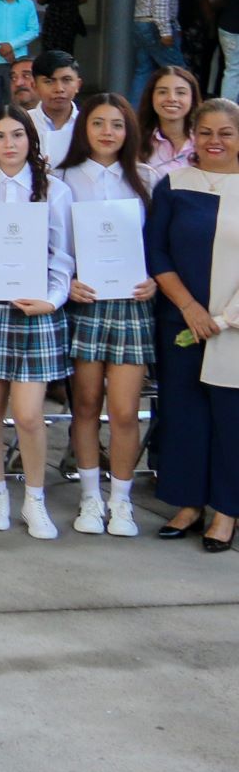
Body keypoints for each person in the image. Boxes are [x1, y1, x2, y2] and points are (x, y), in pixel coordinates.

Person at [0, 106, 74, 540]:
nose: (9, 144)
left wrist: (52, 300)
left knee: (28, 414)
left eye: (17, 135)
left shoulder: (54, 191)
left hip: (36, 309)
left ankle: (34, 499)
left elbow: (63, 256)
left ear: (31, 139)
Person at [56, 93, 156, 538]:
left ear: (128, 130)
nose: (107, 132)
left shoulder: (146, 178)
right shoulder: (63, 179)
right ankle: (90, 498)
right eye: (98, 123)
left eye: (117, 124)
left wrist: (155, 280)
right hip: (87, 302)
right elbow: (53, 244)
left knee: (125, 411)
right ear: (84, 128)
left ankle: (121, 500)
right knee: (85, 405)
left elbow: (159, 244)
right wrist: (66, 283)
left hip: (132, 304)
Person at [146, 98, 239, 551]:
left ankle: (226, 510)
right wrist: (189, 308)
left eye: (226, 133)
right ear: (193, 137)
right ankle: (188, 503)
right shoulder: (174, 184)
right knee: (184, 412)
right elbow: (156, 250)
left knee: (230, 417)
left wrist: (223, 318)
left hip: (234, 327)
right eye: (205, 132)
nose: (214, 141)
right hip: (181, 320)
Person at [133, 0, 186, 104]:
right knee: (178, 71)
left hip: (142, 23)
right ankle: (186, 108)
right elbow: (161, 2)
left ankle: (135, 111)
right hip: (154, 25)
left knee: (143, 70)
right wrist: (165, 31)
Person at [143, 63, 200, 177]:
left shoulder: (204, 141)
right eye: (162, 92)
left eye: (180, 93)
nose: (172, 98)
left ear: (192, 98)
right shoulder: (136, 141)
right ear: (151, 97)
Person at [27, 50, 83, 166]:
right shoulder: (23, 123)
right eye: (49, 81)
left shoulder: (87, 123)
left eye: (66, 80)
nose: (59, 89)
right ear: (34, 86)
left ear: (78, 85)